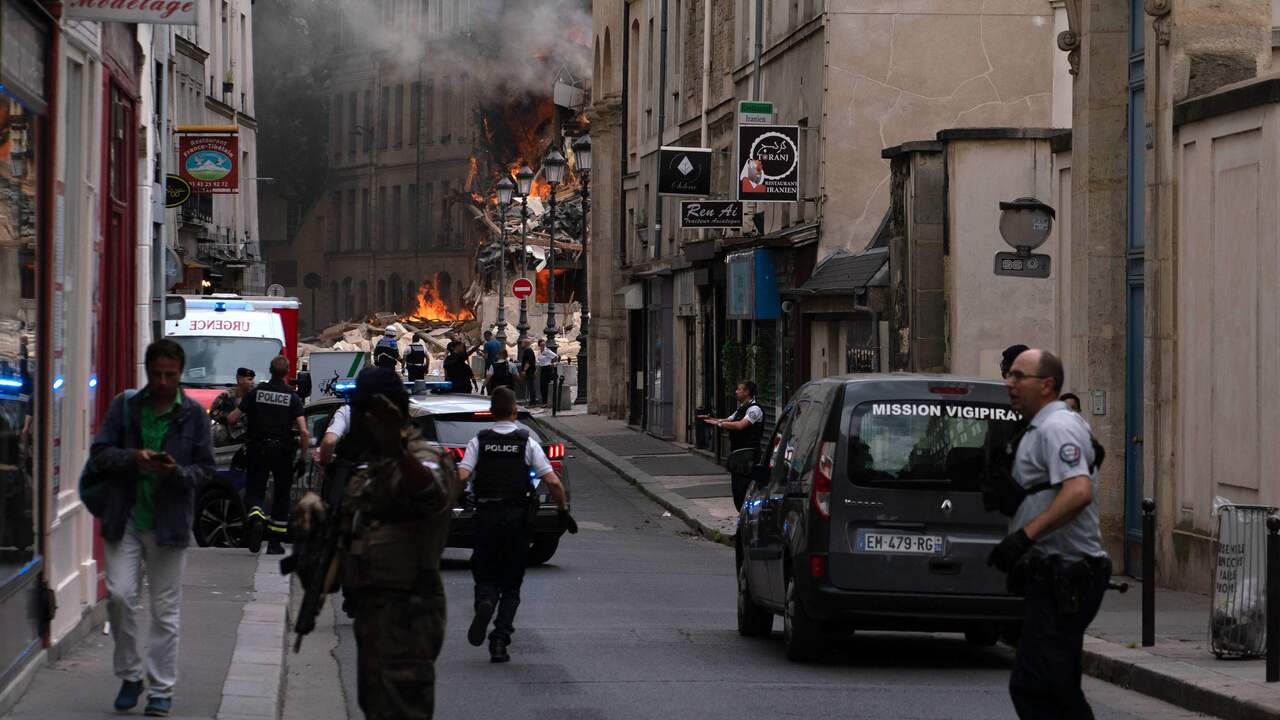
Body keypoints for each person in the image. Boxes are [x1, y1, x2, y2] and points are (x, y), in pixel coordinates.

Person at [294, 367, 459, 719]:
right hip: (371, 611)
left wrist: (396, 449)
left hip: (408, 612)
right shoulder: (368, 471)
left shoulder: (422, 458)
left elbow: (430, 494)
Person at [87, 339, 215, 717]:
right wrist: (134, 458)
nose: (162, 381)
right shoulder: (125, 407)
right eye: (157, 374)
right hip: (125, 517)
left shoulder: (192, 415)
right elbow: (100, 454)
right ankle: (129, 673)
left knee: (165, 610)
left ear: (180, 374)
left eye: (170, 375)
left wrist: (176, 473)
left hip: (169, 523)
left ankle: (161, 689)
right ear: (147, 372)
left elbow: (205, 469)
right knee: (120, 596)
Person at [988, 348, 1109, 720]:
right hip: (1054, 574)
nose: (1009, 383)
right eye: (1009, 375)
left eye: (1018, 376)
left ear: (1047, 385)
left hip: (1070, 574)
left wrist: (1025, 536)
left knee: (1034, 686)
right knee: (1056, 686)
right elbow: (1052, 489)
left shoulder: (1058, 427)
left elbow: (1078, 491)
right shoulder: (1039, 427)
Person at [458, 387, 576, 663]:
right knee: (511, 583)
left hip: (486, 515)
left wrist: (459, 495)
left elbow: (463, 474)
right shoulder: (526, 442)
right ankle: (499, 640)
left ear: (491, 412)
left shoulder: (480, 441)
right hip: (516, 518)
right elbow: (553, 482)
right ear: (514, 411)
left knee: (484, 570)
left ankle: (485, 600)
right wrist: (563, 509)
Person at [229, 355, 310, 555]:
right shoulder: (292, 396)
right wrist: (301, 458)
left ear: (270, 370)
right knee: (281, 495)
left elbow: (232, 418)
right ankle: (275, 543)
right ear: (287, 372)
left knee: (255, 490)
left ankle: (256, 517)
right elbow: (304, 432)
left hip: (258, 449)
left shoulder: (256, 393)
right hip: (282, 452)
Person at [698, 380, 764, 509]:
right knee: (737, 489)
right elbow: (728, 420)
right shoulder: (741, 408)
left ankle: (747, 514)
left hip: (749, 455)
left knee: (745, 487)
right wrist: (711, 420)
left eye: (739, 389)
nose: (736, 391)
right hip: (738, 455)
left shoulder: (754, 409)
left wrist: (719, 423)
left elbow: (740, 425)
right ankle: (741, 513)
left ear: (747, 392)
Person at [209, 367, 255, 444]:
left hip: (249, 434)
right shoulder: (227, 396)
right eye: (250, 379)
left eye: (253, 379)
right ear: (240, 380)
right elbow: (213, 412)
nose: (253, 382)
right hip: (230, 433)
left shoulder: (255, 396)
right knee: (218, 430)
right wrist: (227, 417)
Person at [535, 339, 558, 408]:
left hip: (548, 368)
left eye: (544, 345)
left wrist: (552, 363)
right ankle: (544, 401)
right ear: (539, 345)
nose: (543, 346)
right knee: (542, 386)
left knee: (546, 385)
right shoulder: (539, 352)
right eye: (541, 345)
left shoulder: (547, 351)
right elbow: (539, 361)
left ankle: (547, 402)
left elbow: (555, 357)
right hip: (542, 369)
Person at [517, 337, 537, 403]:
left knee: (531, 386)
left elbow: (528, 362)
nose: (521, 344)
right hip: (530, 371)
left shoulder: (528, 351)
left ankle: (532, 402)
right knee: (530, 386)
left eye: (522, 342)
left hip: (529, 372)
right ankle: (531, 401)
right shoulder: (528, 350)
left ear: (526, 343)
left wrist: (524, 371)